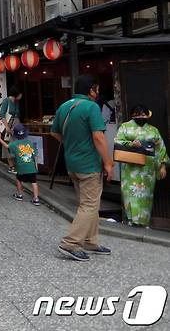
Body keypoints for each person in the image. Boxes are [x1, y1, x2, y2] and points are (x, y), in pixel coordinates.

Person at [51, 75, 114, 262]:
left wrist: (72, 143)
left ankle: (90, 240)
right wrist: (108, 162)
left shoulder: (64, 106)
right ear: (91, 89)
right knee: (89, 204)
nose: (98, 93)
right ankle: (71, 242)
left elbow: (54, 132)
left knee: (88, 203)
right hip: (89, 164)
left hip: (72, 162)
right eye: (96, 89)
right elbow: (98, 137)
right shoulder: (91, 107)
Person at [115, 105, 167, 227]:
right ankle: (130, 221)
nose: (141, 117)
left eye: (144, 114)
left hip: (147, 171)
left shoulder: (153, 130)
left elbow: (160, 148)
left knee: (146, 196)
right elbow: (117, 141)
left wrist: (163, 165)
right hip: (130, 169)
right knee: (130, 194)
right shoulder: (125, 127)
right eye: (138, 114)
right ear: (133, 115)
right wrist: (130, 143)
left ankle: (144, 223)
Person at [0, 124, 41, 205]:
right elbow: (35, 156)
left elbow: (6, 146)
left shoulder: (14, 144)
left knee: (19, 180)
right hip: (31, 168)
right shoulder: (29, 143)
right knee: (34, 182)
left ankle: (20, 195)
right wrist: (36, 167)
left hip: (21, 168)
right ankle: (36, 199)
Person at [0, 86, 23, 167]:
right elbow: (2, 114)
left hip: (17, 125)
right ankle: (11, 165)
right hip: (9, 124)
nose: (21, 95)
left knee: (17, 144)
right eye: (20, 94)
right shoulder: (6, 101)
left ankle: (16, 164)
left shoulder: (16, 102)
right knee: (8, 143)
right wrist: (7, 127)